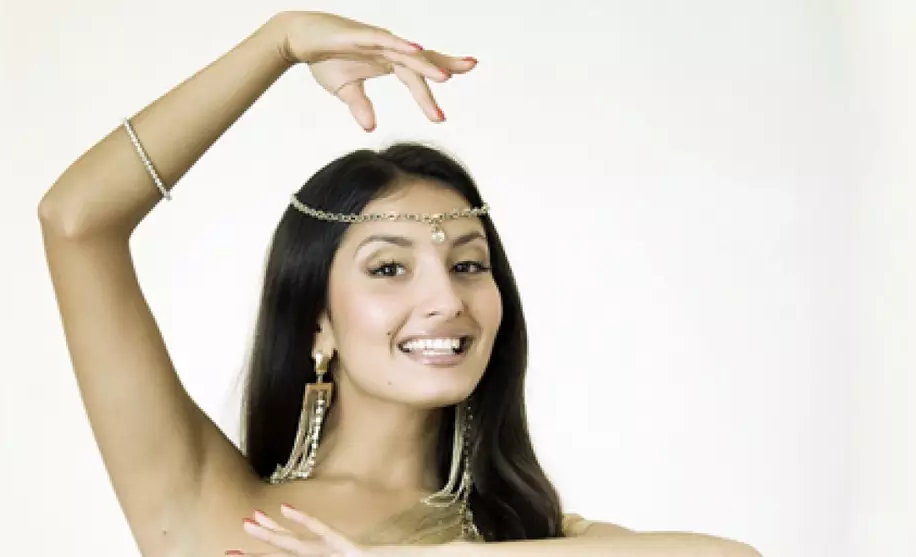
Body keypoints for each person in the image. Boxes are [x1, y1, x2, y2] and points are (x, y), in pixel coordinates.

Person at [38, 10, 760, 557]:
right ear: (316, 320)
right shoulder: (213, 503)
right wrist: (277, 43)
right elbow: (77, 222)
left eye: (468, 265)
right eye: (389, 268)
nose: (446, 299)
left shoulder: (533, 539)